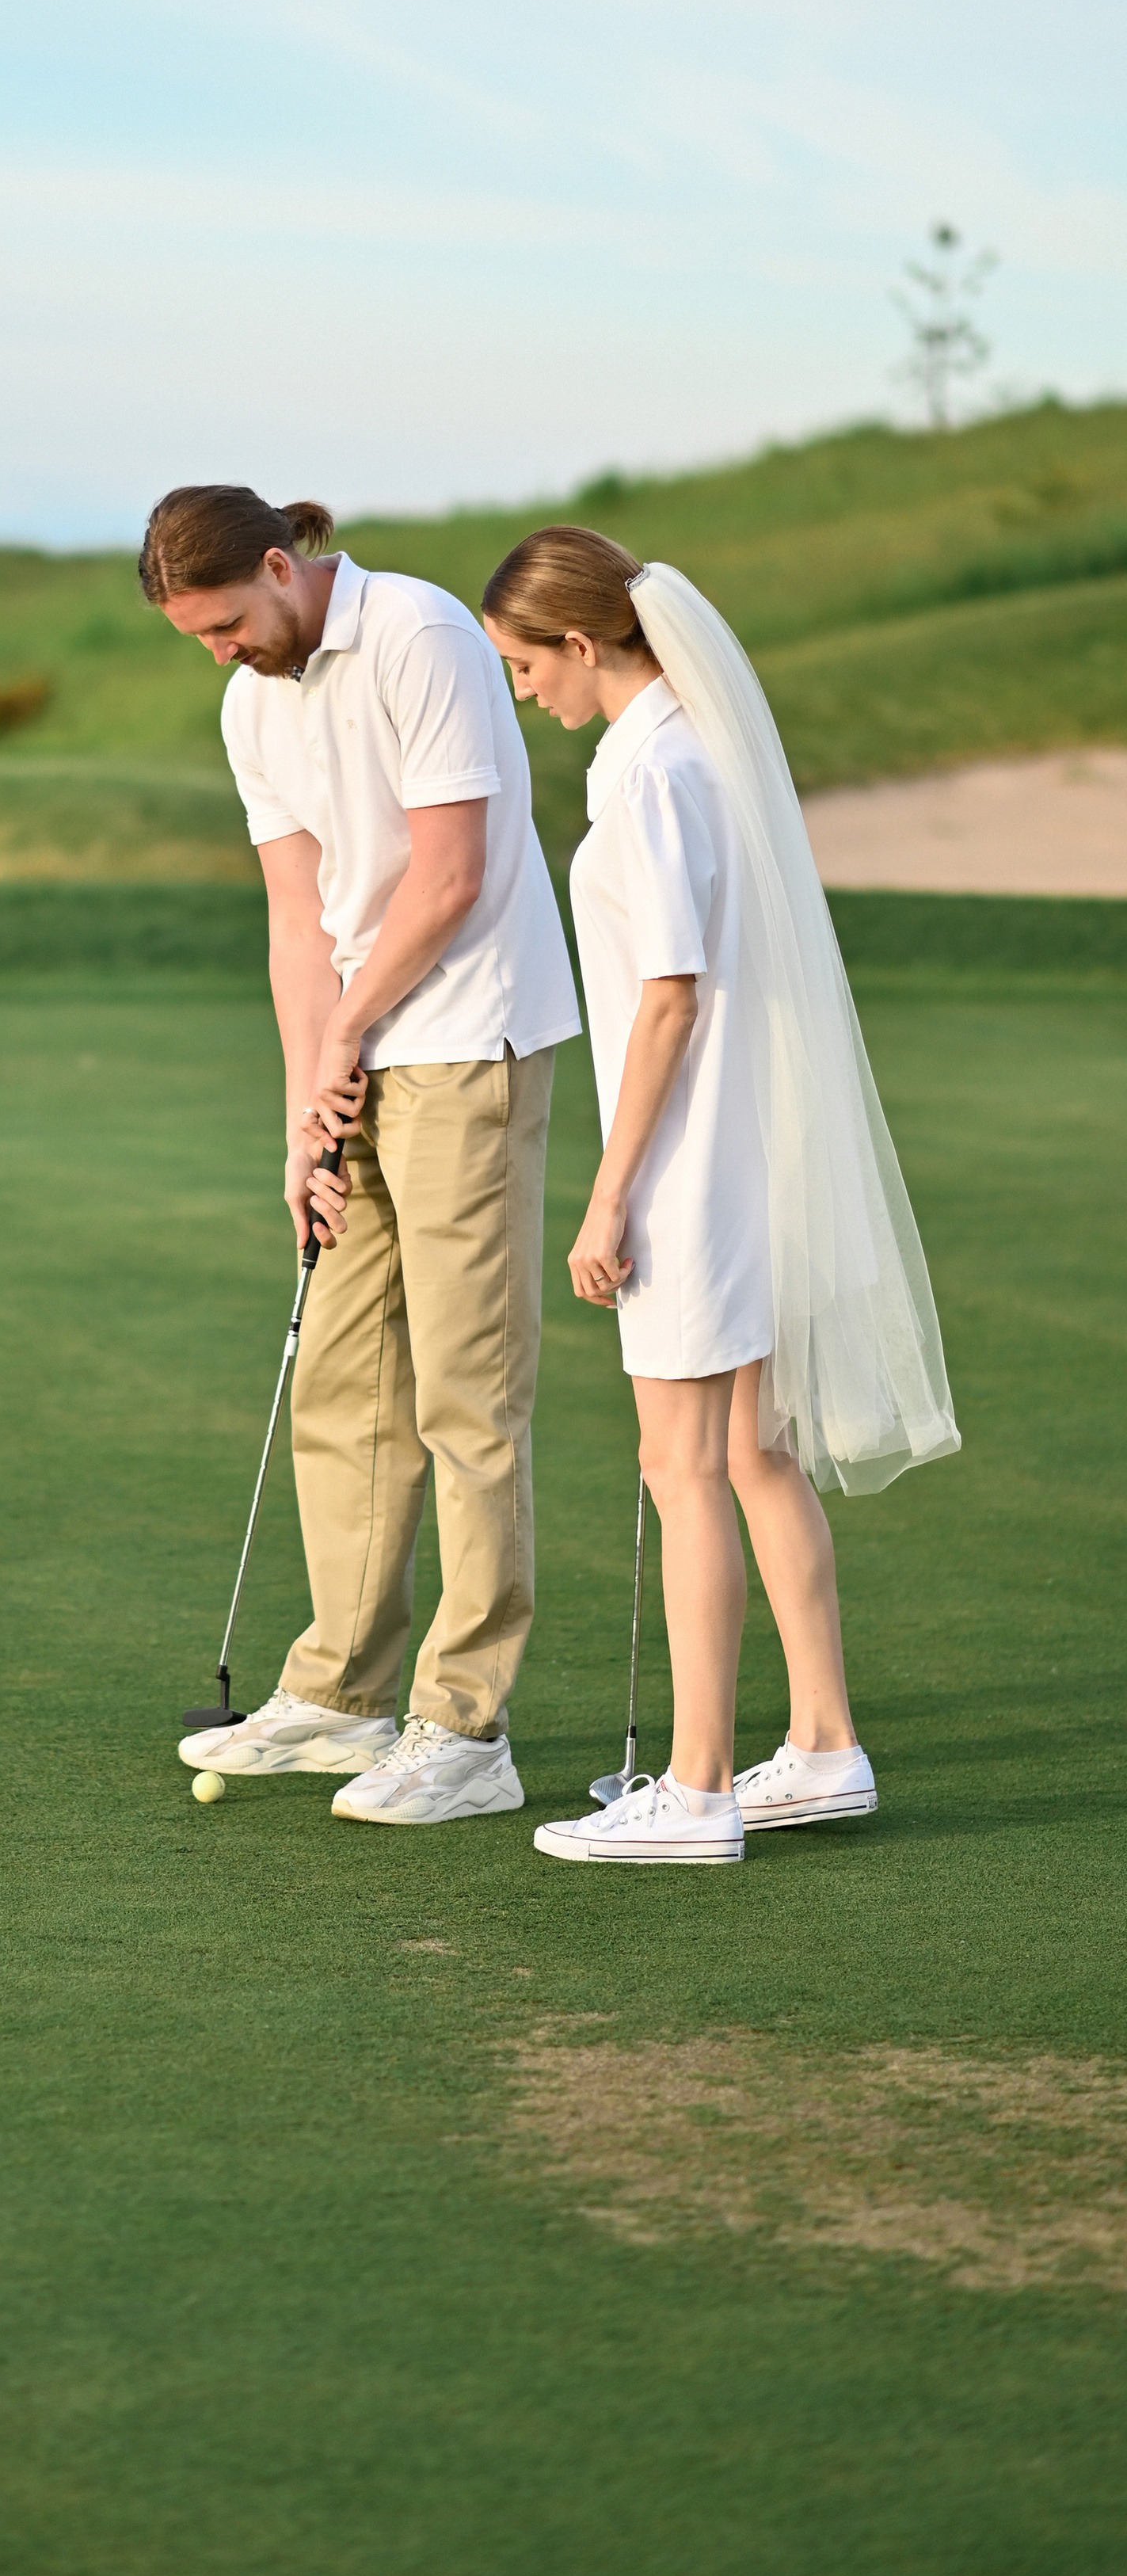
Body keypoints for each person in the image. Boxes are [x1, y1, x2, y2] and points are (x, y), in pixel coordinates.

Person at [479, 528, 961, 1866]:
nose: (526, 692)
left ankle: (692, 1793)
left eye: (528, 665)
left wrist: (607, 1193)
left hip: (691, 1167)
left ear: (583, 644)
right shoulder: (686, 753)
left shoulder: (655, 777)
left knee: (682, 1465)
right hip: (736, 1151)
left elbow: (669, 999)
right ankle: (822, 1747)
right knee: (750, 1455)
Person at [146, 486, 581, 1824]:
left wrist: (350, 1027)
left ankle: (468, 1729)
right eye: (197, 638)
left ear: (284, 567)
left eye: (228, 623)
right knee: (344, 1380)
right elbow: (294, 913)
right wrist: (304, 1106)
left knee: (466, 1389)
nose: (221, 652)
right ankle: (340, 1694)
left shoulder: (422, 635)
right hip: (362, 1045)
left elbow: (449, 876)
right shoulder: (249, 703)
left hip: (469, 1036)